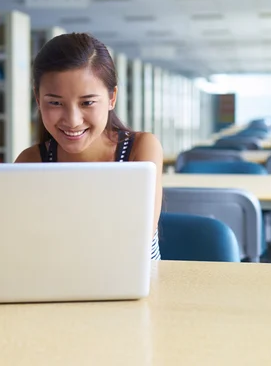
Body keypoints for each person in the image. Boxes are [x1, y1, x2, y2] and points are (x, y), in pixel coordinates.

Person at [15, 33, 163, 260]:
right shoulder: (30, 161)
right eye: (55, 103)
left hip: (132, 289)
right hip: (51, 288)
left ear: (112, 98)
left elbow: (137, 240)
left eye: (87, 103)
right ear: (38, 99)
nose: (72, 120)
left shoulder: (140, 149)